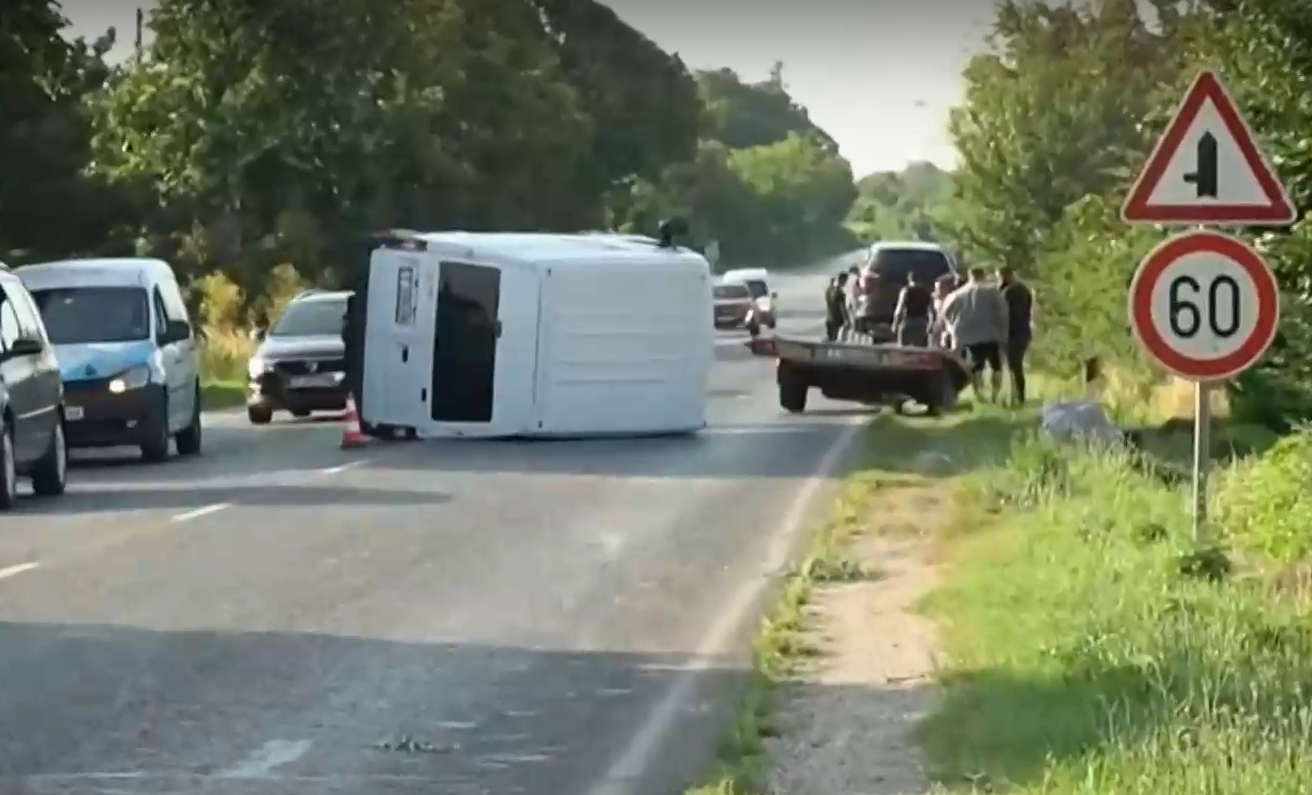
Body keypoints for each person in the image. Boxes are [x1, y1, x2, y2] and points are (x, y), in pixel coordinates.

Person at [938, 266, 1009, 402]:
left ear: (970, 276)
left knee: (976, 366)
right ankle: (994, 395)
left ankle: (979, 394)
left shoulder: (958, 293)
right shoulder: (993, 291)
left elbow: (945, 312)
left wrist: (951, 327)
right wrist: (1004, 332)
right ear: (983, 275)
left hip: (969, 335)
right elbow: (1003, 312)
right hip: (991, 333)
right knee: (996, 366)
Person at [997, 265, 1035, 405]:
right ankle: (1016, 396)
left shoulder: (1009, 292)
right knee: (1014, 365)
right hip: (1022, 331)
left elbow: (1005, 314)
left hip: (1013, 332)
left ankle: (1018, 396)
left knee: (1014, 365)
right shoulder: (1023, 290)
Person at [892, 271, 933, 347]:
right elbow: (932, 311)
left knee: (903, 350)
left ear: (909, 279)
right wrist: (931, 324)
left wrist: (895, 323)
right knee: (921, 351)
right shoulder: (926, 292)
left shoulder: (905, 290)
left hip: (908, 323)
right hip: (922, 324)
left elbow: (899, 309)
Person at [930, 274, 955, 348]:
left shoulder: (954, 298)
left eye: (941, 287)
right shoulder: (935, 298)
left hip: (950, 328)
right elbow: (932, 312)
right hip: (938, 326)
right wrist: (931, 323)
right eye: (936, 288)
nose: (938, 290)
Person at [824, 272, 848, 342]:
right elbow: (842, 308)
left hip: (829, 317)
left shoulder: (828, 289)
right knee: (834, 340)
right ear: (842, 280)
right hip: (837, 319)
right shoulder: (839, 292)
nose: (846, 283)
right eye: (845, 281)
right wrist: (846, 319)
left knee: (830, 338)